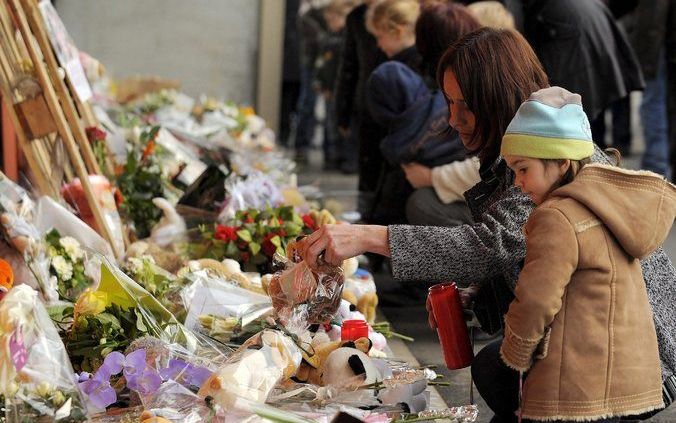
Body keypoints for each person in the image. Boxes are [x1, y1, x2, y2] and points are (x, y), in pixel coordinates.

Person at [297, 28, 676, 421]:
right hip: (591, 339)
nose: (452, 119)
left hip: (636, 362)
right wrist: (476, 301)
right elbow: (521, 255)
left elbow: (492, 244)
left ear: (497, 99)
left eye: (466, 105)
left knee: (501, 369)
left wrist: (366, 236)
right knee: (496, 369)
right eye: (448, 102)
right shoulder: (529, 152)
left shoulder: (553, 162)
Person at [498, 86, 672, 422]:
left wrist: (515, 353)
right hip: (632, 380)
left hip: (580, 386)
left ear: (561, 162)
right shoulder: (608, 204)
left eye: (523, 169)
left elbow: (536, 300)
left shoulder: (556, 217)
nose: (517, 182)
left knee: (493, 369)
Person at [334, 0, 387, 185]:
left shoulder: (399, 9)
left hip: (396, 103)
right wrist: (342, 110)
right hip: (365, 102)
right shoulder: (356, 17)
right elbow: (349, 66)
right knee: (367, 168)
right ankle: (366, 209)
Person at [315, 0, 357, 171]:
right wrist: (321, 83)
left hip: (340, 89)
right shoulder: (330, 39)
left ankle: (342, 157)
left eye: (333, 20)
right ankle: (331, 156)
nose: (330, 24)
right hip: (330, 89)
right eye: (328, 21)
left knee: (341, 125)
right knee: (330, 124)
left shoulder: (345, 39)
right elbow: (323, 65)